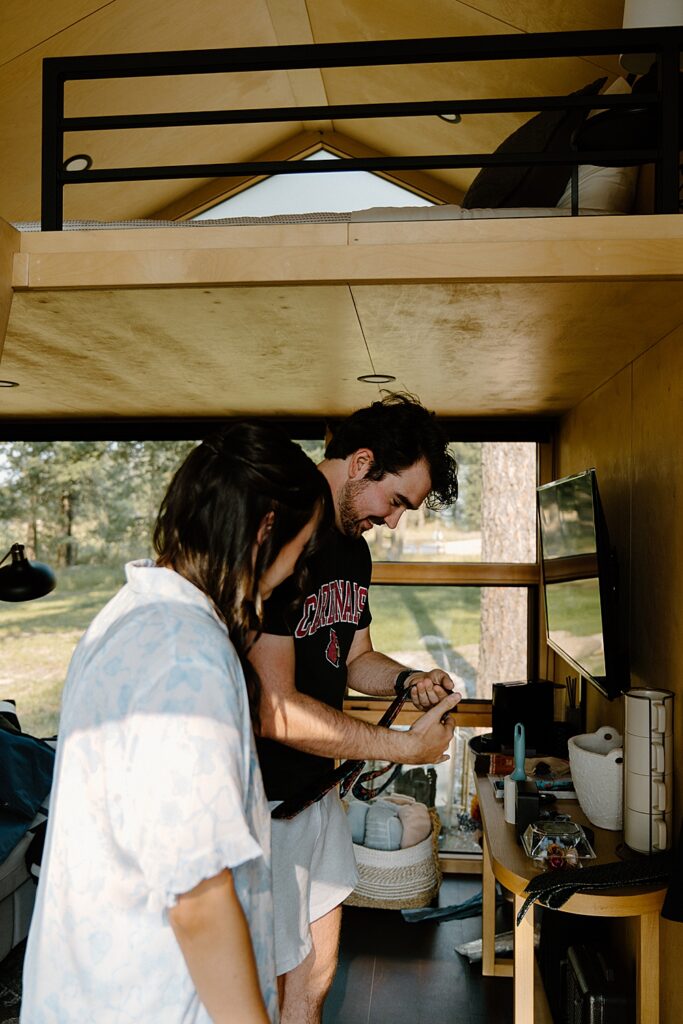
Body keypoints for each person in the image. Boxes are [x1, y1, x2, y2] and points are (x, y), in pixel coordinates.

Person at [20, 422, 333, 1024]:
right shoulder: (184, 656)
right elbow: (199, 898)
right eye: (300, 551)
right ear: (266, 529)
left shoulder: (135, 616)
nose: (295, 573)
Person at [249, 394, 461, 1024]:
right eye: (395, 501)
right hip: (258, 808)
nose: (393, 522)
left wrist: (407, 681)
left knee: (313, 982)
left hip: (318, 799)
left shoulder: (353, 551)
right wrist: (401, 748)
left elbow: (353, 658)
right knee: (259, 994)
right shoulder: (279, 533)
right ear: (362, 462)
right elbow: (275, 711)